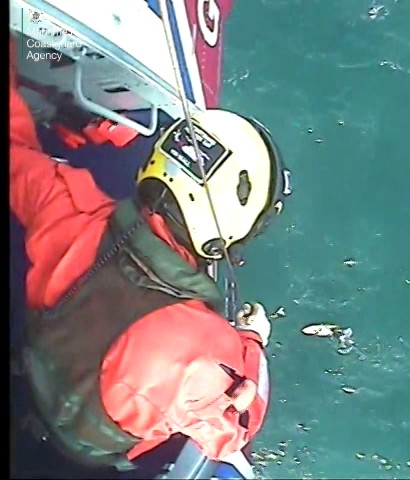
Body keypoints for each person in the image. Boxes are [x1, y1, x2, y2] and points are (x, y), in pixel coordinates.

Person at [10, 39, 291, 471]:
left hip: (25, 395)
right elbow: (235, 425)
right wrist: (252, 339)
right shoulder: (202, 348)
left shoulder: (65, 204)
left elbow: (16, 155)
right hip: (81, 463)